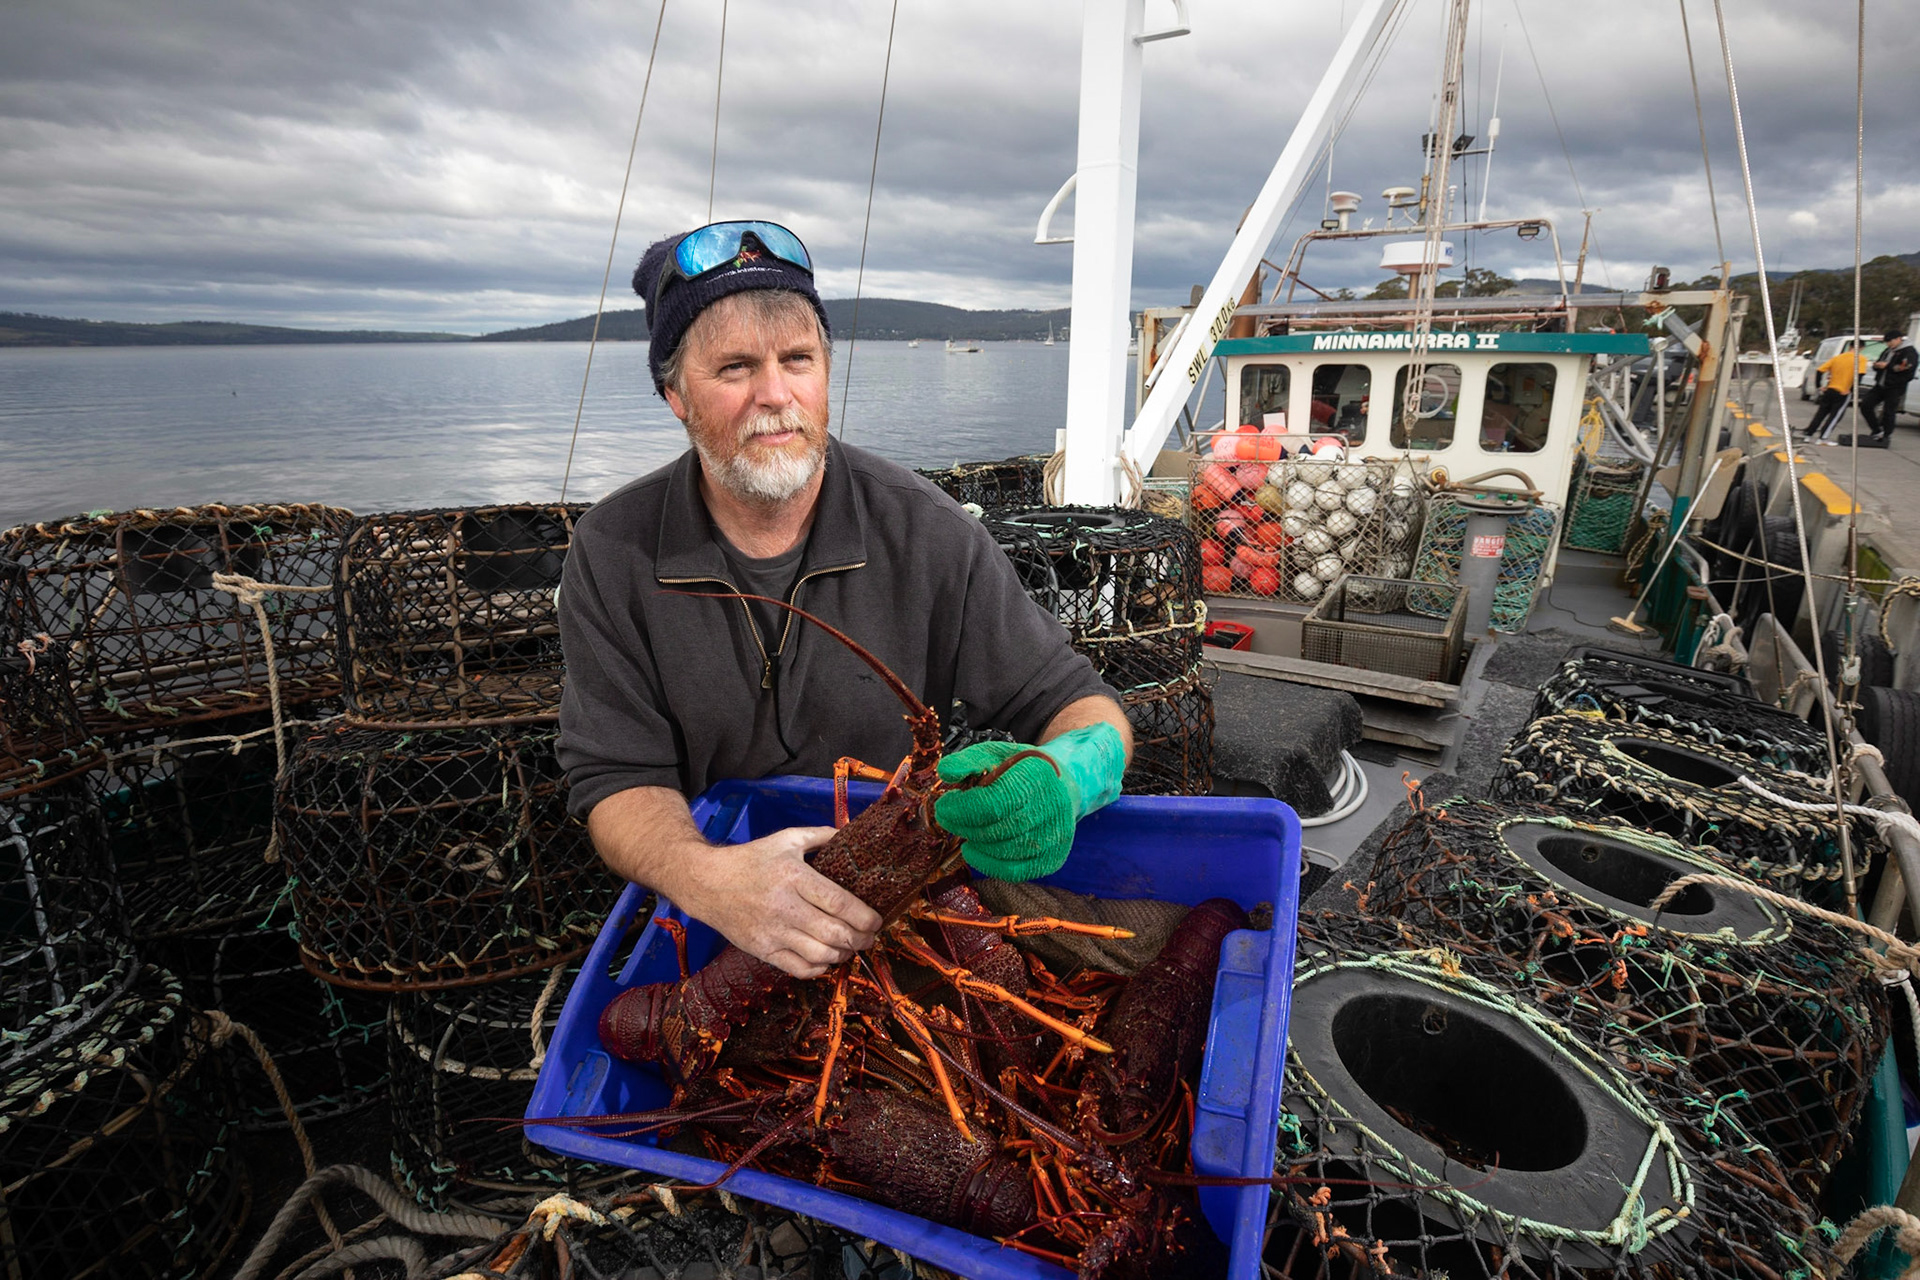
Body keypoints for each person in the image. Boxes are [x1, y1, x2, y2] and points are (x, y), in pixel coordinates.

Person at [556, 220, 1133, 980]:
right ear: (675, 395)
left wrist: (1064, 776)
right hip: (715, 900)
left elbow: (1084, 709)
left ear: (826, 371)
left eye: (798, 359)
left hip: (894, 891)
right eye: (733, 368)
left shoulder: (926, 529)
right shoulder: (613, 548)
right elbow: (615, 778)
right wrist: (709, 878)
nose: (775, 395)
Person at [1807, 343, 1869, 441]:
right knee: (1835, 416)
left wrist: (1819, 386)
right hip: (1843, 391)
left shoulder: (1838, 358)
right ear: (1862, 348)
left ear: (1850, 346)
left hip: (1830, 389)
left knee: (1821, 413)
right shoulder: (1861, 359)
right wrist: (1851, 390)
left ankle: (1809, 434)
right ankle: (1823, 438)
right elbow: (1859, 375)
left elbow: (1819, 370)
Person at [1861, 330, 1916, 442]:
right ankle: (1876, 430)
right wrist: (1877, 366)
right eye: (1887, 342)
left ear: (1898, 339)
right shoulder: (1888, 351)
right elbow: (1880, 362)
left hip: (1895, 386)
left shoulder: (1909, 351)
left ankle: (1886, 435)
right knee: (1866, 405)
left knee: (1889, 411)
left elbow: (1906, 367)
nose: (1888, 344)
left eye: (1890, 341)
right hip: (1881, 384)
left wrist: (1887, 366)